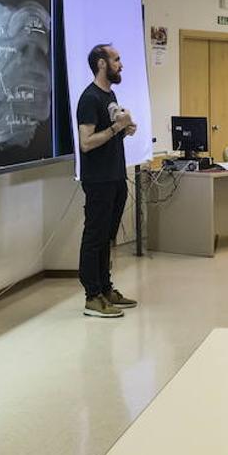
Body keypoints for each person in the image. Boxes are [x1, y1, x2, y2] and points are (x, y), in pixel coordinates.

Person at [75, 44, 138, 318]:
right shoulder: (89, 99)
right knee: (95, 237)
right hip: (98, 180)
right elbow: (87, 143)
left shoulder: (109, 94)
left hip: (115, 176)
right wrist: (116, 128)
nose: (121, 64)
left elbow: (109, 136)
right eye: (116, 59)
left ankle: (105, 288)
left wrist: (125, 130)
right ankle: (92, 296)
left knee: (107, 238)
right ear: (102, 64)